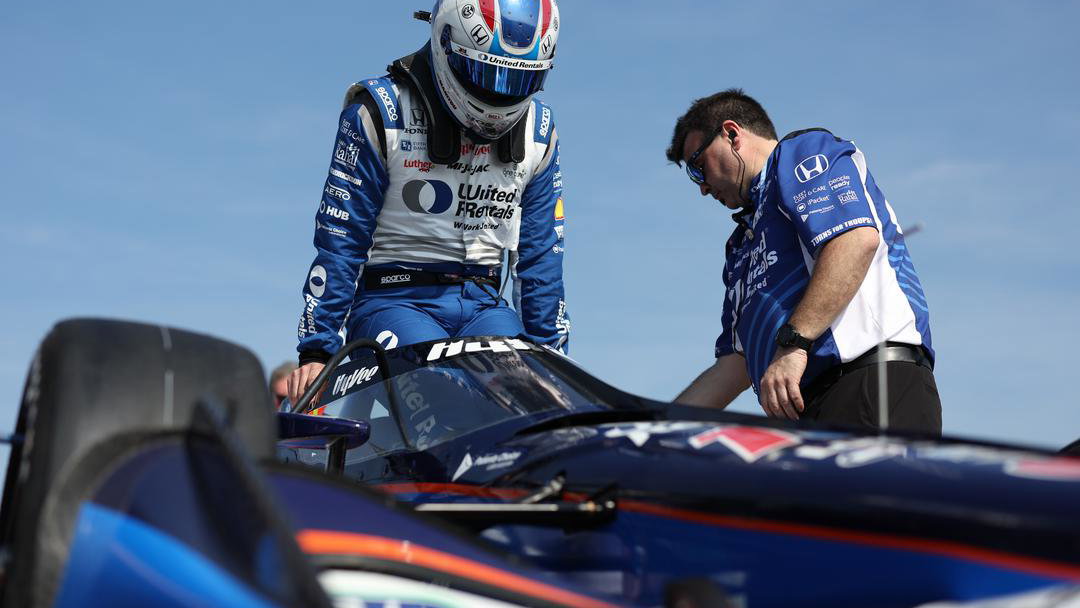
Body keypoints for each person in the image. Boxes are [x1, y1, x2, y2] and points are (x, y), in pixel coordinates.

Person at [288, 0, 568, 405]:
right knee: (445, 398)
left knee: (535, 407)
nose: (499, 90)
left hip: (485, 306)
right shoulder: (379, 112)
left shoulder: (540, 133)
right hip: (392, 301)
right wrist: (317, 350)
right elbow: (341, 237)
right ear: (443, 42)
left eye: (517, 79)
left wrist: (553, 362)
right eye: (486, 71)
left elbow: (542, 254)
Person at [666, 89, 940, 433]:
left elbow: (854, 241)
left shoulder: (798, 154)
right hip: (803, 410)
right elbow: (735, 365)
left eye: (697, 167)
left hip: (868, 381)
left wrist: (793, 345)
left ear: (732, 134)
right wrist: (649, 431)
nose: (702, 188)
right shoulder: (742, 244)